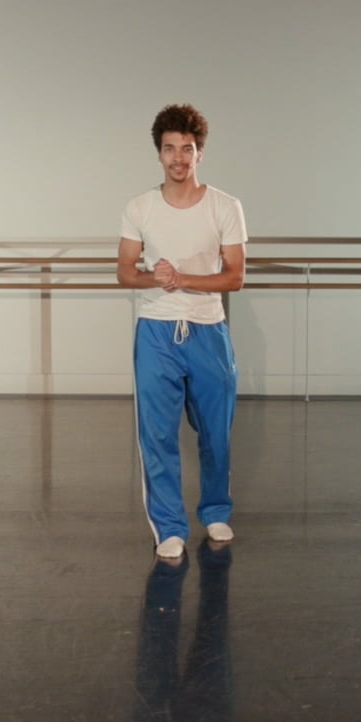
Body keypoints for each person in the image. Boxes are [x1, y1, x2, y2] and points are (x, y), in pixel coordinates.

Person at [117, 104, 247, 561]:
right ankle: (169, 526)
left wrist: (183, 278)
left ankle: (215, 510)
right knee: (157, 434)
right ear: (159, 153)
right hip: (155, 330)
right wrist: (158, 278)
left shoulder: (225, 206)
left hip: (208, 330)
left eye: (186, 149)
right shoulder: (140, 208)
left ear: (199, 153)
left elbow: (235, 277)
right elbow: (124, 272)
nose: (178, 157)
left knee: (216, 432)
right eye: (169, 149)